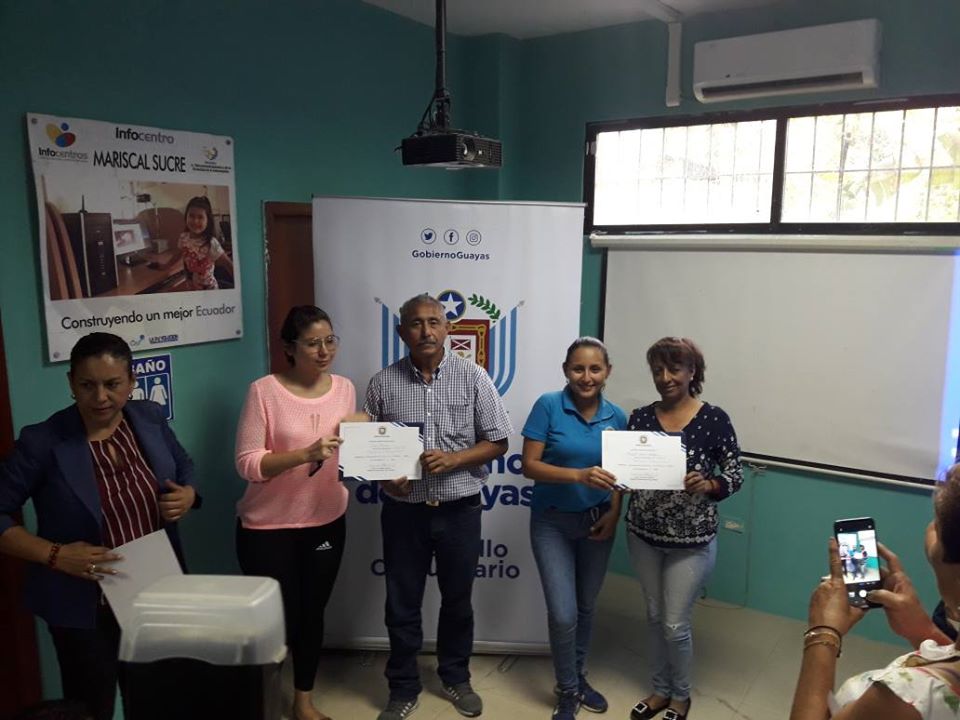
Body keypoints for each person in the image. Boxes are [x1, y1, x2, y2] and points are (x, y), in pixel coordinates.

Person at [0, 332, 197, 720]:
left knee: (157, 697)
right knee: (93, 708)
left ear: (132, 381)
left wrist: (188, 494)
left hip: (152, 592)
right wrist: (55, 555)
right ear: (71, 383)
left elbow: (183, 464)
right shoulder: (43, 441)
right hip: (85, 607)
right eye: (87, 385)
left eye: (112, 384)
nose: (101, 397)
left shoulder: (149, 417)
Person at [363, 293, 513, 720]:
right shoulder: (382, 383)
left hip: (459, 509)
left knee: (458, 601)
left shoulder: (474, 376)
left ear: (448, 329)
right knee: (401, 603)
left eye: (434, 322)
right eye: (416, 323)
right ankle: (402, 687)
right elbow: (366, 449)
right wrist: (382, 476)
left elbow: (499, 441)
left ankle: (456, 677)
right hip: (404, 511)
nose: (426, 331)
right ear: (401, 332)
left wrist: (455, 459)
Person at [235, 305, 359, 720]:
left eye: (330, 341)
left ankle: (303, 701)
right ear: (290, 348)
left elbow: (348, 456)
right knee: (275, 621)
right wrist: (304, 454)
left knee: (311, 614)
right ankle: (262, 701)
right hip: (267, 527)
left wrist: (373, 448)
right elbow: (248, 464)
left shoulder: (345, 388)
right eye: (312, 344)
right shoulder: (264, 391)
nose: (324, 351)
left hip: (325, 520)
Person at [625, 337, 742, 720]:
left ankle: (681, 695)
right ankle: (660, 690)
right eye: (658, 370)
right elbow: (629, 470)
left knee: (675, 623)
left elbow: (735, 474)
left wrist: (709, 484)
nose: (665, 377)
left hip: (691, 541)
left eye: (674, 369)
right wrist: (621, 477)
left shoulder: (714, 419)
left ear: (692, 371)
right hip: (643, 534)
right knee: (654, 615)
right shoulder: (640, 418)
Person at [789, 463, 960, 720]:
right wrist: (922, 631)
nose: (931, 528)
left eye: (938, 525)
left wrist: (823, 633)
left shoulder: (906, 699)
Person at [521, 337, 627, 720]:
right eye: (578, 368)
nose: (586, 377)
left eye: (595, 369)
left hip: (597, 521)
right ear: (566, 370)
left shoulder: (618, 417)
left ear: (607, 372)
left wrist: (614, 512)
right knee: (563, 613)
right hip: (551, 522)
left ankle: (577, 678)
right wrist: (579, 475)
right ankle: (566, 688)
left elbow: (620, 476)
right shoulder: (548, 405)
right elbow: (529, 466)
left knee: (585, 607)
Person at [156, 195, 233, 290]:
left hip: (209, 290)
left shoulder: (211, 243)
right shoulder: (183, 237)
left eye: (200, 217)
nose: (195, 221)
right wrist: (167, 265)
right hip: (191, 286)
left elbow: (228, 264)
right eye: (191, 216)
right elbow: (178, 253)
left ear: (208, 221)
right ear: (186, 217)